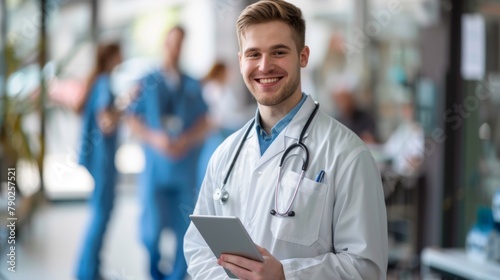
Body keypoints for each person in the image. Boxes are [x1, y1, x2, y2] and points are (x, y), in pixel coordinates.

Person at [184, 1, 388, 279]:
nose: (265, 66)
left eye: (278, 52)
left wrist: (285, 275)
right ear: (241, 60)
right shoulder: (225, 154)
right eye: (253, 54)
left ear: (303, 57)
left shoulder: (347, 154)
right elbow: (197, 248)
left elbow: (367, 268)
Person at [126, 26, 210, 280]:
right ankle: (155, 273)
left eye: (180, 43)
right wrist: (155, 138)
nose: (176, 48)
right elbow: (131, 118)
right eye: (172, 42)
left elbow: (205, 121)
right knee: (151, 231)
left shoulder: (193, 84)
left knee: (185, 231)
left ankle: (176, 277)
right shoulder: (148, 81)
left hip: (183, 169)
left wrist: (186, 139)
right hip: (156, 169)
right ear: (165, 44)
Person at [75, 42, 123, 280]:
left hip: (99, 159)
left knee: (99, 213)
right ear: (111, 56)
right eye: (119, 52)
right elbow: (106, 123)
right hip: (103, 160)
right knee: (100, 214)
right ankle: (87, 273)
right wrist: (124, 106)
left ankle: (89, 269)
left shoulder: (97, 82)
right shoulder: (104, 82)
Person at [197, 61, 251, 190]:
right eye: (227, 72)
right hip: (218, 133)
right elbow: (217, 116)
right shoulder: (212, 89)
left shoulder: (223, 89)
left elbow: (231, 112)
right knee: (213, 170)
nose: (229, 75)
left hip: (227, 130)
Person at [331, 74, 378, 144]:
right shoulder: (334, 121)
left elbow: (371, 140)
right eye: (340, 99)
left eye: (345, 98)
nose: (343, 103)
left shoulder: (366, 118)